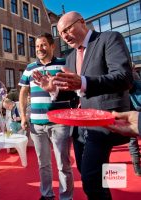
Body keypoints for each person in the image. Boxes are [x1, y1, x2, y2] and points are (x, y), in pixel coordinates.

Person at [53, 11, 133, 199]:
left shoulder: (110, 38)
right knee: (88, 170)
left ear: (82, 22)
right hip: (81, 124)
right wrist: (53, 88)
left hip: (105, 119)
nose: (64, 36)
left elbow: (124, 78)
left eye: (67, 29)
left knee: (90, 178)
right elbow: (75, 89)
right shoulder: (71, 57)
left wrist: (82, 82)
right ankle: (107, 191)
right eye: (61, 33)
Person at [19, 33, 74, 200]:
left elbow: (73, 90)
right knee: (43, 164)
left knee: (63, 163)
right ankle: (47, 195)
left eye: (43, 45)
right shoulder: (30, 68)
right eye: (37, 46)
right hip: (36, 124)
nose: (39, 49)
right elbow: (23, 93)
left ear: (52, 46)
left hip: (60, 122)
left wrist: (54, 87)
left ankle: (66, 197)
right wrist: (23, 116)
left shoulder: (63, 64)